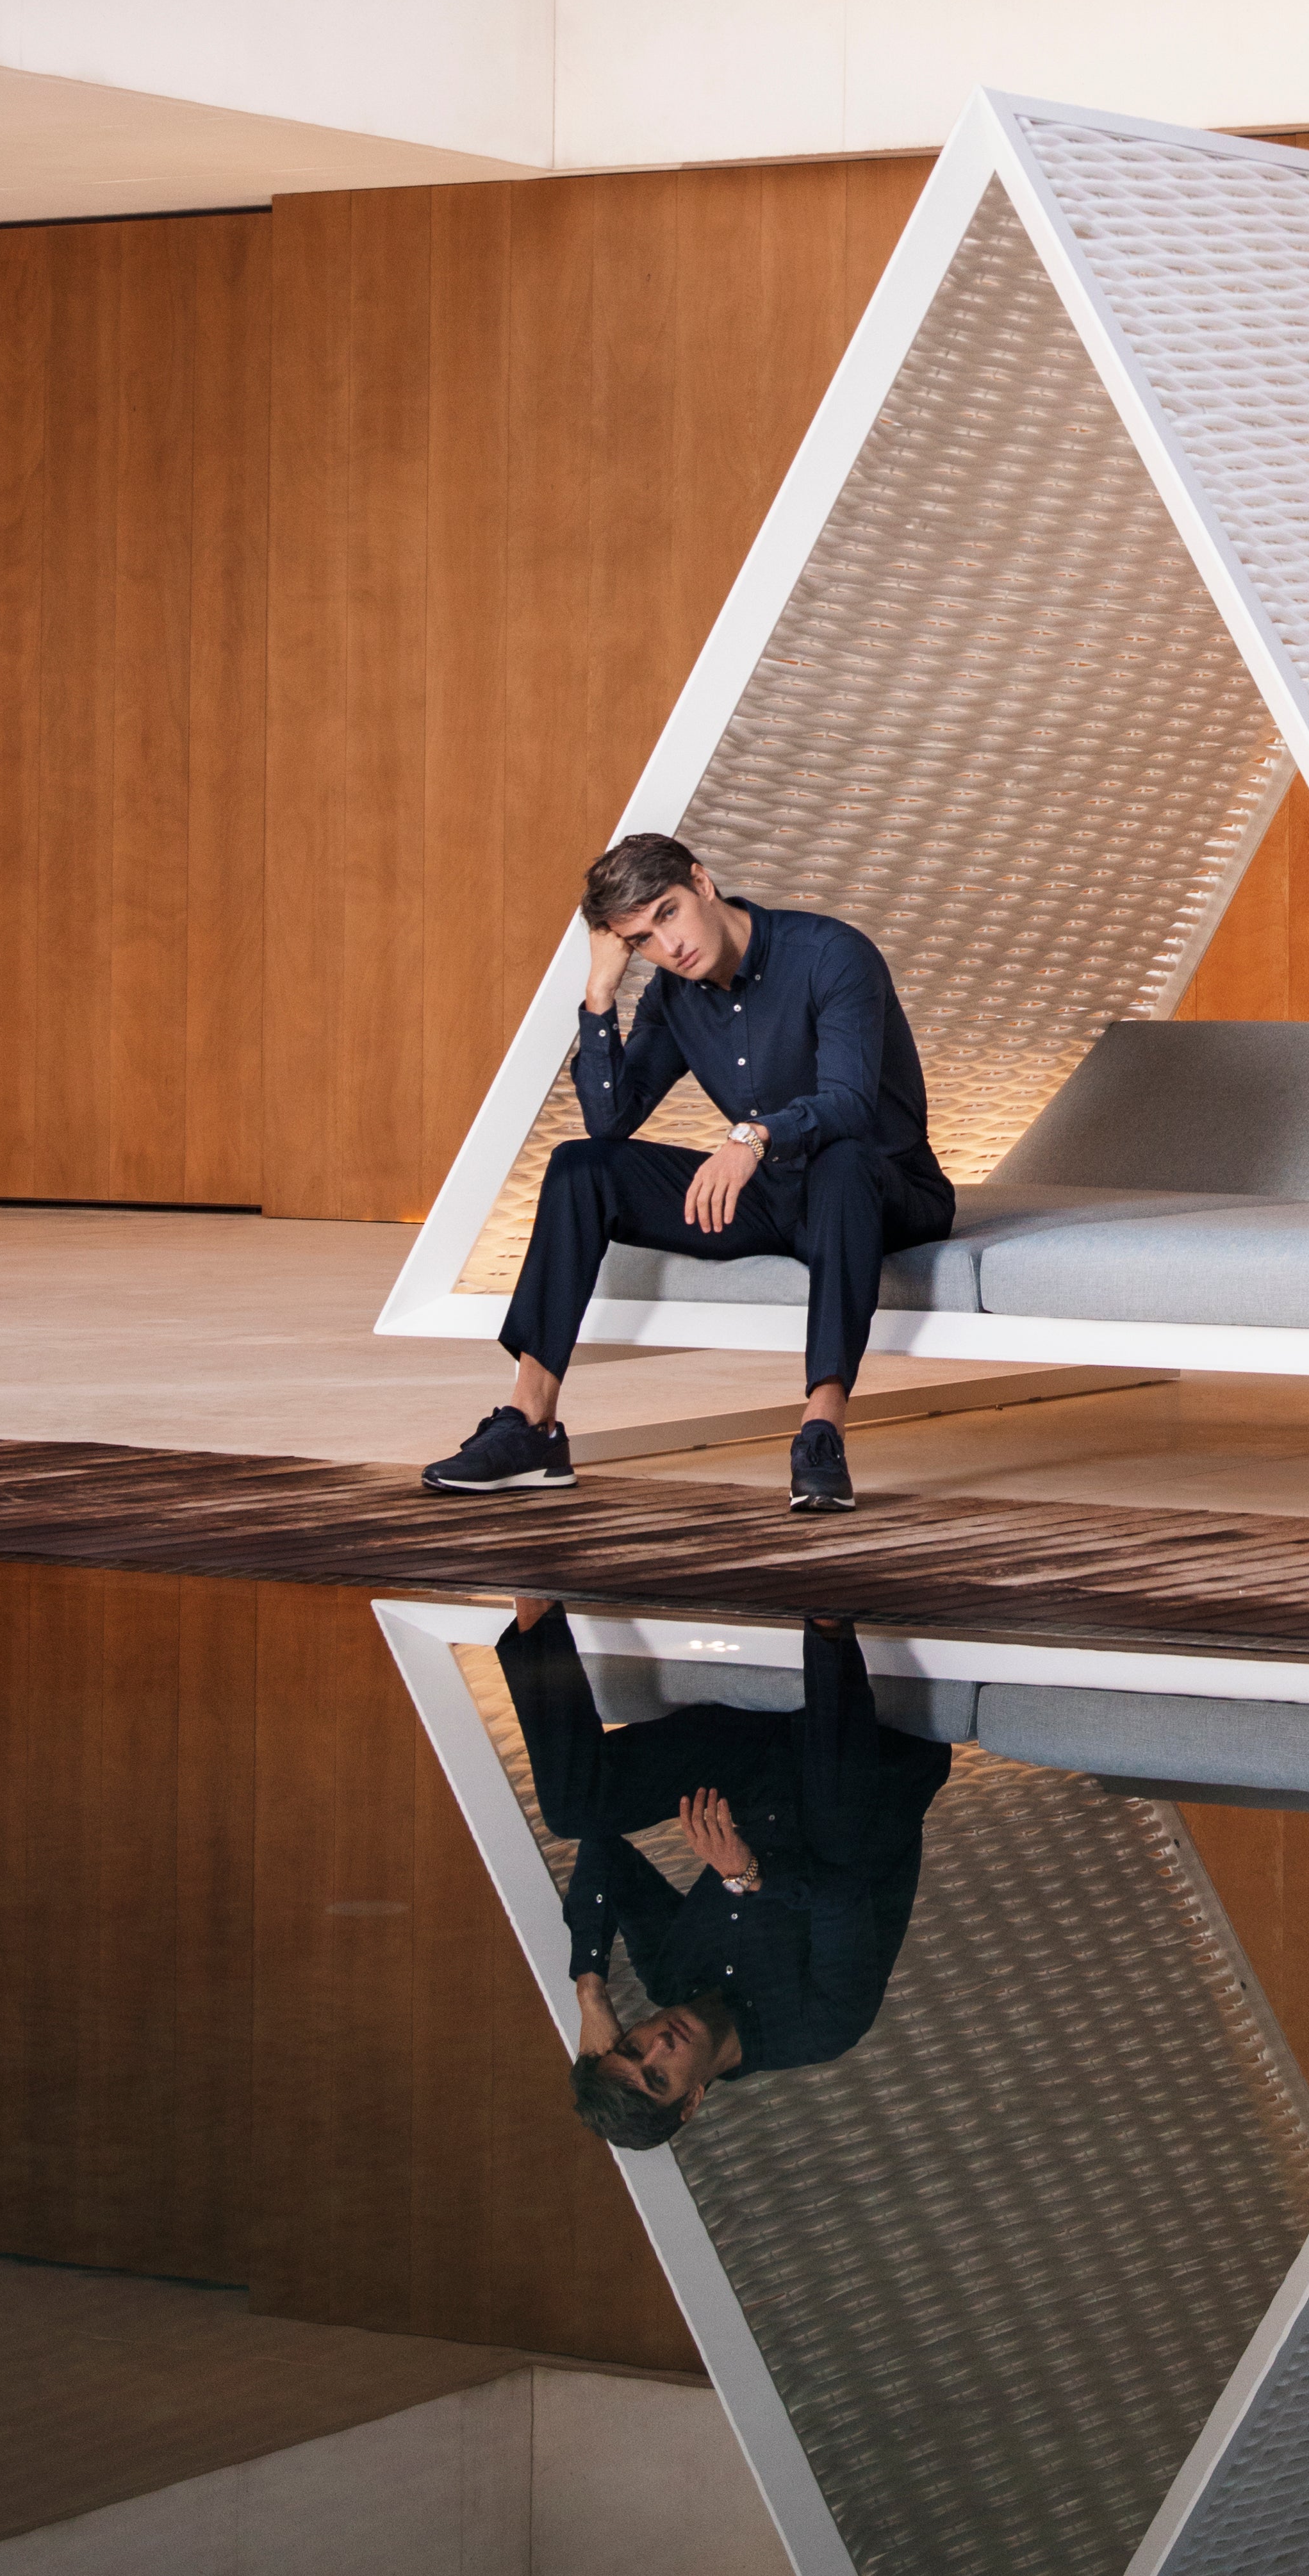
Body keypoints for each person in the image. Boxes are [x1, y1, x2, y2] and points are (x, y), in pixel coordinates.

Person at [422, 833, 952, 1514]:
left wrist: (752, 1136)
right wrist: (599, 994)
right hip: (776, 1195)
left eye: (666, 914)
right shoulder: (673, 994)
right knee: (581, 1167)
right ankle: (532, 1426)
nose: (666, 948)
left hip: (884, 1188)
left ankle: (821, 1431)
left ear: (702, 884)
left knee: (843, 1162)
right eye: (640, 940)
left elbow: (849, 1104)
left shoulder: (830, 954)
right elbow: (610, 1122)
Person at [497, 1596, 950, 2147]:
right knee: (839, 1840)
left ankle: (533, 1603)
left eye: (632, 2048)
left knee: (575, 1811)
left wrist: (590, 1985)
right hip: (875, 1774)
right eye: (658, 2076)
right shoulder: (820, 2029)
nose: (659, 2043)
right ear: (691, 2101)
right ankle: (826, 1611)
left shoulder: (668, 1977)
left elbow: (603, 1851)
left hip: (759, 1763)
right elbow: (844, 1900)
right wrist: (750, 1874)